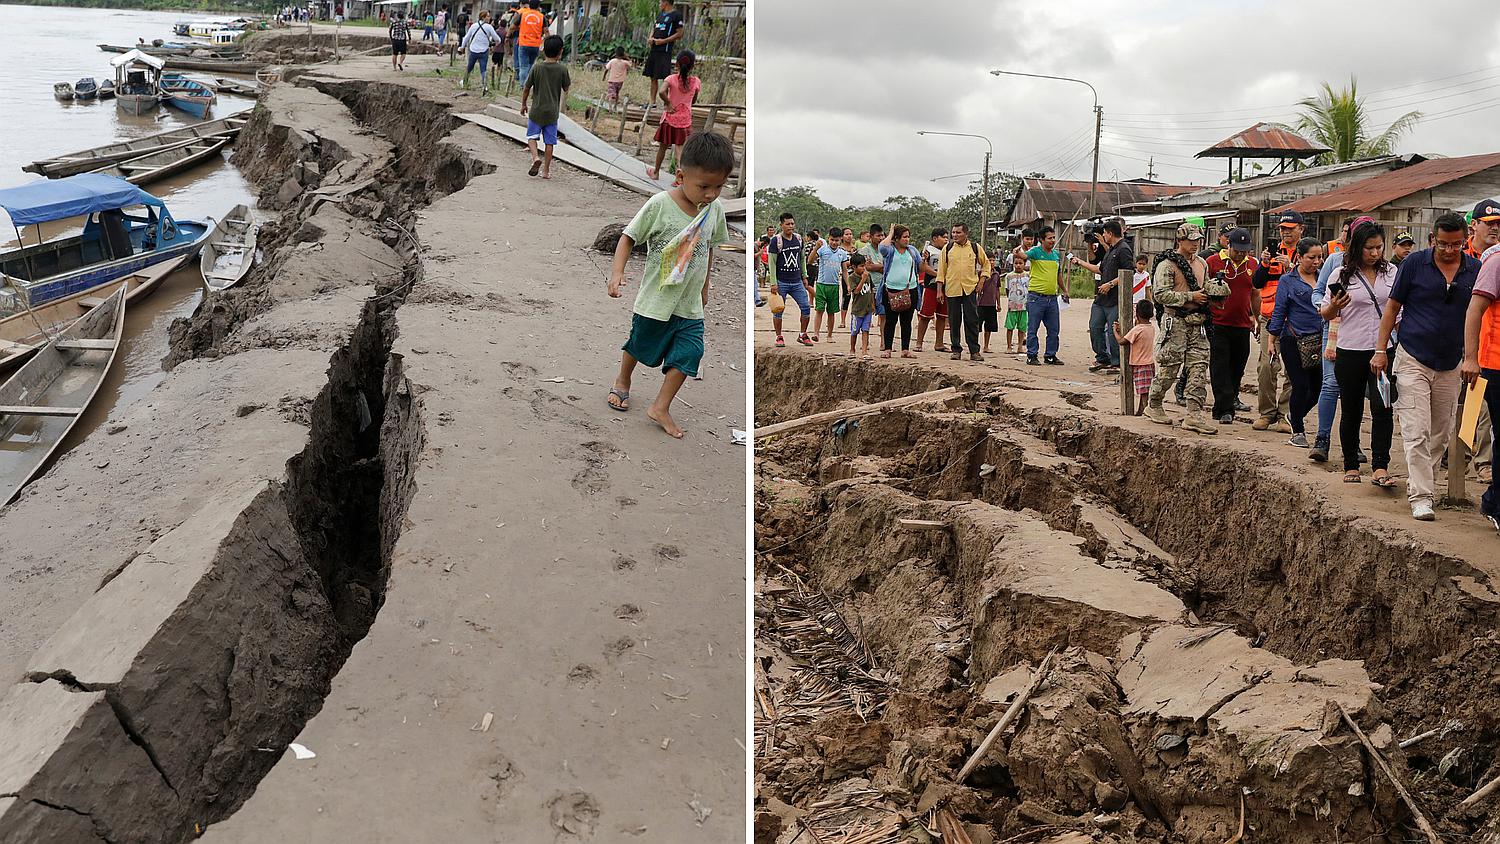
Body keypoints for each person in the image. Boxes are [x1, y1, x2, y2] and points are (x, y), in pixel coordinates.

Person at [604, 131, 732, 439]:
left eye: (718, 186)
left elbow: (710, 247)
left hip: (689, 304)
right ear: (680, 176)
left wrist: (706, 285)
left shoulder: (714, 211)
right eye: (704, 186)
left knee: (691, 353)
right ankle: (623, 380)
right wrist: (617, 272)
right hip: (657, 298)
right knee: (640, 344)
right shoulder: (659, 205)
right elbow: (628, 236)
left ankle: (660, 406)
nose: (711, 194)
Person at [1372, 213, 1478, 519]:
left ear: (1465, 240)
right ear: (1433, 239)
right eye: (1443, 244)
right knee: (1416, 429)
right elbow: (1392, 307)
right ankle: (1421, 495)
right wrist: (1381, 350)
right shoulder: (1414, 264)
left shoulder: (1475, 269)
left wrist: (1474, 356)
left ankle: (1424, 485)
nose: (1449, 250)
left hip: (1451, 362)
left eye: (1456, 244)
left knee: (1439, 433)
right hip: (1412, 358)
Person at [1321, 221, 1398, 486]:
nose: (1375, 253)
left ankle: (1380, 466)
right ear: (1357, 247)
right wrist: (1334, 305)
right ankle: (1351, 464)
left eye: (1379, 247)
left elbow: (1399, 309)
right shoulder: (1341, 275)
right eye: (1369, 248)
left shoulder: (1392, 272)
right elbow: (1326, 314)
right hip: (1350, 350)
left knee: (1383, 407)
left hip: (1383, 351)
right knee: (1352, 409)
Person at [1308, 215, 1376, 463]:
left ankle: (1353, 444)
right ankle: (1322, 439)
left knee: (1355, 391)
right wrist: (1326, 306)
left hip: (1367, 334)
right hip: (1336, 327)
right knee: (1330, 384)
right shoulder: (1335, 262)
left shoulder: (1383, 268)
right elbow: (1319, 291)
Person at [1146, 223, 1217, 433]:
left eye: (1198, 240)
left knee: (1198, 369)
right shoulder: (1167, 265)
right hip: (1175, 321)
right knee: (1170, 367)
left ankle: (1194, 415)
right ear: (1180, 240)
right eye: (1191, 240)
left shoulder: (1202, 263)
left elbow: (1208, 285)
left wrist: (1214, 294)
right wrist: (1189, 296)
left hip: (1198, 323)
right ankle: (1155, 404)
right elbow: (1160, 294)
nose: (1195, 244)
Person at [1266, 238, 1327, 447]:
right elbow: (1279, 311)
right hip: (1293, 340)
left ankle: (1295, 415)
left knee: (1318, 388)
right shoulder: (1288, 281)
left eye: (1320, 257)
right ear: (1299, 257)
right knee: (1299, 385)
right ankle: (1298, 431)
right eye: (1312, 257)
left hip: (1319, 341)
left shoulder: (1324, 279)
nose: (1317, 261)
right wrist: (1271, 339)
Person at [1252, 210, 1305, 432]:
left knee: (1294, 370)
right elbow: (1256, 282)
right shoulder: (1272, 253)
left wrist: (1291, 269)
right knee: (1266, 366)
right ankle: (1267, 413)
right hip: (1270, 318)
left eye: (1290, 229)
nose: (1285, 233)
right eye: (1283, 229)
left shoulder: (1309, 252)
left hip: (1296, 321)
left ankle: (1286, 415)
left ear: (1301, 229)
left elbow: (1313, 282)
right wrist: (1264, 264)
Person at [1462, 227, 1500, 533]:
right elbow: (1475, 309)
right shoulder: (1496, 263)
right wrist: (1471, 357)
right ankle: (1495, 503)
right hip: (1496, 364)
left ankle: (1492, 499)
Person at [1205, 228, 1259, 424]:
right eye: (1237, 250)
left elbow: (1255, 293)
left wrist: (1256, 318)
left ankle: (1227, 403)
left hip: (1243, 324)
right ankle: (1224, 409)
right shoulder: (1212, 262)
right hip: (1218, 323)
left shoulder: (1253, 264)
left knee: (1238, 366)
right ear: (1228, 246)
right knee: (1220, 367)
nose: (1241, 254)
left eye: (1245, 250)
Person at [1070, 219, 1131, 372]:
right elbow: (1100, 270)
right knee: (1095, 327)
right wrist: (1080, 263)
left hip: (1115, 299)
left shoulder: (1124, 249)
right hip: (1101, 299)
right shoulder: (1111, 249)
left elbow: (1129, 273)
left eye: (1104, 233)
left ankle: (1117, 363)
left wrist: (1110, 284)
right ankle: (1102, 358)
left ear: (1110, 233)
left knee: (1113, 332)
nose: (1103, 235)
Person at [937, 223, 992, 362]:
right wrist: (939, 290)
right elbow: (941, 271)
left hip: (970, 288)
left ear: (966, 234)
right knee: (954, 320)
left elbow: (986, 264)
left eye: (958, 233)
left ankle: (974, 351)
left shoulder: (975, 248)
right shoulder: (947, 248)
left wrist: (982, 281)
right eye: (953, 232)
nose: (954, 235)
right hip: (952, 288)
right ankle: (956, 349)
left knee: (972, 320)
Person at [520, 35, 569, 179]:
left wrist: (523, 104)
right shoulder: (562, 69)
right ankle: (546, 171)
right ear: (561, 51)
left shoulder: (537, 67)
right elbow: (566, 88)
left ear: (543, 50)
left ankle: (535, 158)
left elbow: (526, 88)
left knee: (531, 137)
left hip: (536, 111)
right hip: (552, 113)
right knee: (549, 143)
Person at [877, 225, 929, 358]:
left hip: (910, 290)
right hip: (891, 290)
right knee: (890, 320)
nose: (907, 239)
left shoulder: (912, 251)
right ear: (896, 238)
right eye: (904, 237)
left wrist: (924, 260)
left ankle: (905, 349)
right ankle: (888, 348)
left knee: (907, 321)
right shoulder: (890, 250)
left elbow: (921, 268)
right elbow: (882, 247)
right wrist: (891, 233)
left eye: (908, 236)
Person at [648, 51, 699, 182]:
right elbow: (693, 100)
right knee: (680, 149)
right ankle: (679, 178)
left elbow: (661, 91)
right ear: (693, 66)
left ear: (676, 64)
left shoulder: (671, 79)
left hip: (669, 119)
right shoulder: (696, 82)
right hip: (684, 121)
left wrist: (669, 103)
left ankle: (656, 172)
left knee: (663, 147)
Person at [769, 213, 812, 347]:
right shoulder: (776, 241)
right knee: (778, 310)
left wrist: (804, 276)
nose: (791, 226)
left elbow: (802, 259)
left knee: (805, 307)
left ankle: (803, 334)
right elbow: (772, 262)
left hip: (797, 281)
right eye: (787, 224)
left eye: (792, 224)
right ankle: (779, 336)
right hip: (781, 281)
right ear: (781, 225)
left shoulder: (798, 239)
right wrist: (773, 282)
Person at [1024, 226, 1065, 365]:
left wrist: (1064, 290)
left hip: (1052, 298)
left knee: (1054, 329)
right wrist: (1020, 249)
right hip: (1036, 297)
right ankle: (1032, 355)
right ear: (1042, 240)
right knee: (1033, 328)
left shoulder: (1056, 255)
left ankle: (1050, 355)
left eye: (1053, 237)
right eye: (1049, 238)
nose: (1052, 240)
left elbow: (1058, 275)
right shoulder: (1035, 252)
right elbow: (1023, 256)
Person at [1114, 299, 1157, 415]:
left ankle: (1145, 410)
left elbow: (1122, 341)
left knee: (1143, 391)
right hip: (1149, 363)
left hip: (1140, 364)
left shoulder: (1137, 329)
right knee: (1145, 389)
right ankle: (1141, 410)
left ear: (1137, 314)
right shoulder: (1150, 327)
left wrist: (1115, 331)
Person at [644, 0, 685, 106]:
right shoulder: (660, 15)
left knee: (665, 77)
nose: (659, 4)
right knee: (653, 76)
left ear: (666, 2)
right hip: (654, 49)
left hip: (665, 50)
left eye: (660, 2)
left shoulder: (676, 15)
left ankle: (667, 103)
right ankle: (652, 102)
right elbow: (655, 27)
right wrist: (650, 38)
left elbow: (680, 34)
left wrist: (664, 41)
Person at [916, 228, 949, 352]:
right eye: (944, 237)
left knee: (942, 316)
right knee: (925, 315)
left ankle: (939, 343)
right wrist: (937, 275)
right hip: (931, 286)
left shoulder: (948, 250)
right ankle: (919, 343)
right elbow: (923, 266)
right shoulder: (928, 250)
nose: (946, 240)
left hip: (946, 286)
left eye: (947, 237)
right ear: (935, 238)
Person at [811, 227, 847, 342]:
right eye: (832, 240)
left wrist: (848, 285)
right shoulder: (822, 250)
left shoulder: (842, 253)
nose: (834, 243)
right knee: (819, 310)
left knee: (831, 312)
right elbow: (810, 260)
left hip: (834, 286)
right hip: (821, 284)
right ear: (828, 238)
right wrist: (816, 248)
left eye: (836, 240)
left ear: (840, 240)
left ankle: (830, 335)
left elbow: (845, 270)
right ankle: (816, 333)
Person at [458, 11, 501, 91]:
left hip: (473, 50)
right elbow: (497, 39)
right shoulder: (489, 27)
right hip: (484, 51)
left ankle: (464, 82)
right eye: (487, 16)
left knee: (469, 67)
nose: (489, 18)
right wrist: (497, 43)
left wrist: (462, 47)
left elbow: (466, 37)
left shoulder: (473, 26)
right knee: (483, 68)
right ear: (483, 17)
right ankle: (484, 86)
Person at [846, 253, 875, 358]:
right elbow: (856, 291)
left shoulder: (868, 276)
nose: (864, 268)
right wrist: (862, 279)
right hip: (857, 310)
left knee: (865, 330)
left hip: (867, 309)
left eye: (864, 265)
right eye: (861, 266)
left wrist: (873, 304)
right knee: (854, 331)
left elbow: (871, 290)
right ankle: (852, 349)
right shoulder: (852, 278)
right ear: (854, 267)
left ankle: (864, 351)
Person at [515, 0, 545, 87]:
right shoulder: (542, 17)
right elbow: (546, 30)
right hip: (535, 44)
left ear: (529, 6)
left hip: (523, 43)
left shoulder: (523, 15)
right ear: (538, 7)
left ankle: (523, 85)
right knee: (531, 65)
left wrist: (508, 36)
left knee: (524, 66)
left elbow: (513, 26)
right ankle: (530, 84)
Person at [1004, 252, 1028, 354]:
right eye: (1016, 263)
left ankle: (1020, 346)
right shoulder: (1009, 276)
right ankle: (1009, 346)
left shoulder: (1028, 275)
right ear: (1013, 264)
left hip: (1024, 306)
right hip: (1012, 306)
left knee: (1022, 328)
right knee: (1010, 327)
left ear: (1024, 264)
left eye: (1020, 263)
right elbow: (1007, 290)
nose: (1018, 265)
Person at [978, 254, 1002, 354]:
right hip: (980, 303)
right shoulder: (980, 273)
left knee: (989, 326)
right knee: (977, 325)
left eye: (993, 260)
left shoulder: (996, 274)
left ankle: (986, 346)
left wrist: (998, 303)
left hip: (991, 303)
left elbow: (997, 289)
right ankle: (974, 345)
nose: (992, 262)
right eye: (989, 260)